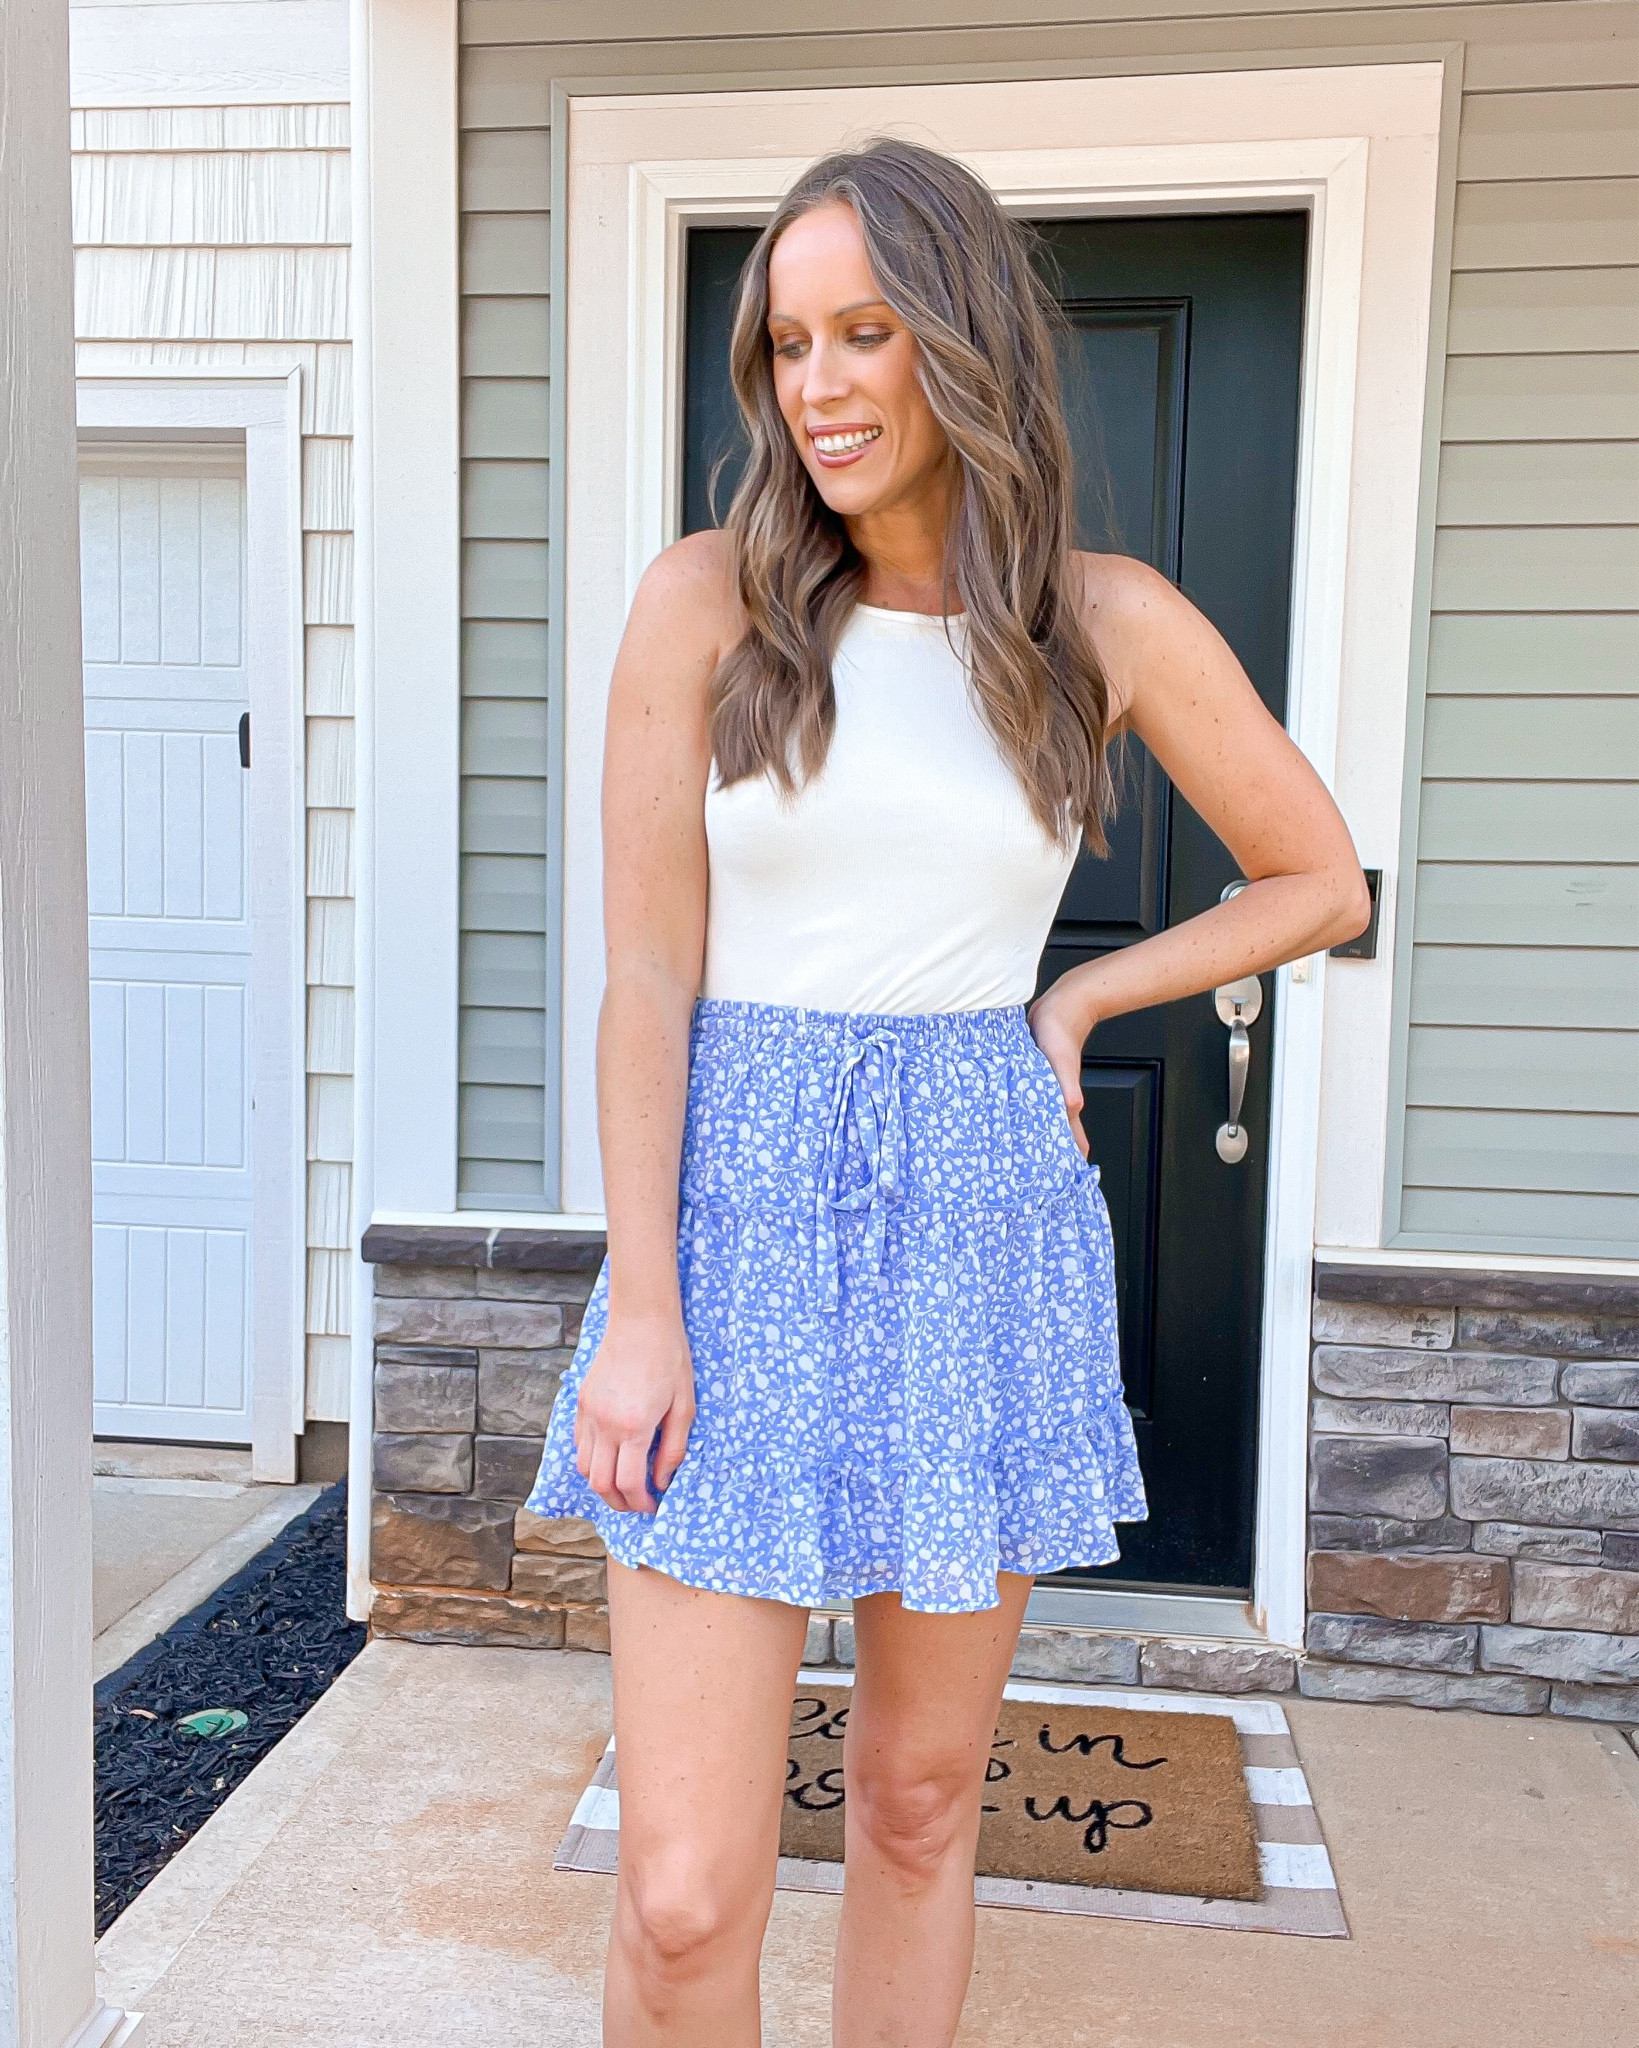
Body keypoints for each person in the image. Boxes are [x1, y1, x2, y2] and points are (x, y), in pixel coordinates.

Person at [526, 136, 1370, 2048]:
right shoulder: (702, 604)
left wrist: (1077, 1005)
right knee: (679, 1894)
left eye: (865, 334)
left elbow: (1319, 878)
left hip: (975, 1220)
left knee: (916, 1809)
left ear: (962, 344)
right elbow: (649, 979)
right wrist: (640, 1310)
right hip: (727, 1224)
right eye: (789, 345)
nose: (817, 385)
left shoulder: (1105, 623)